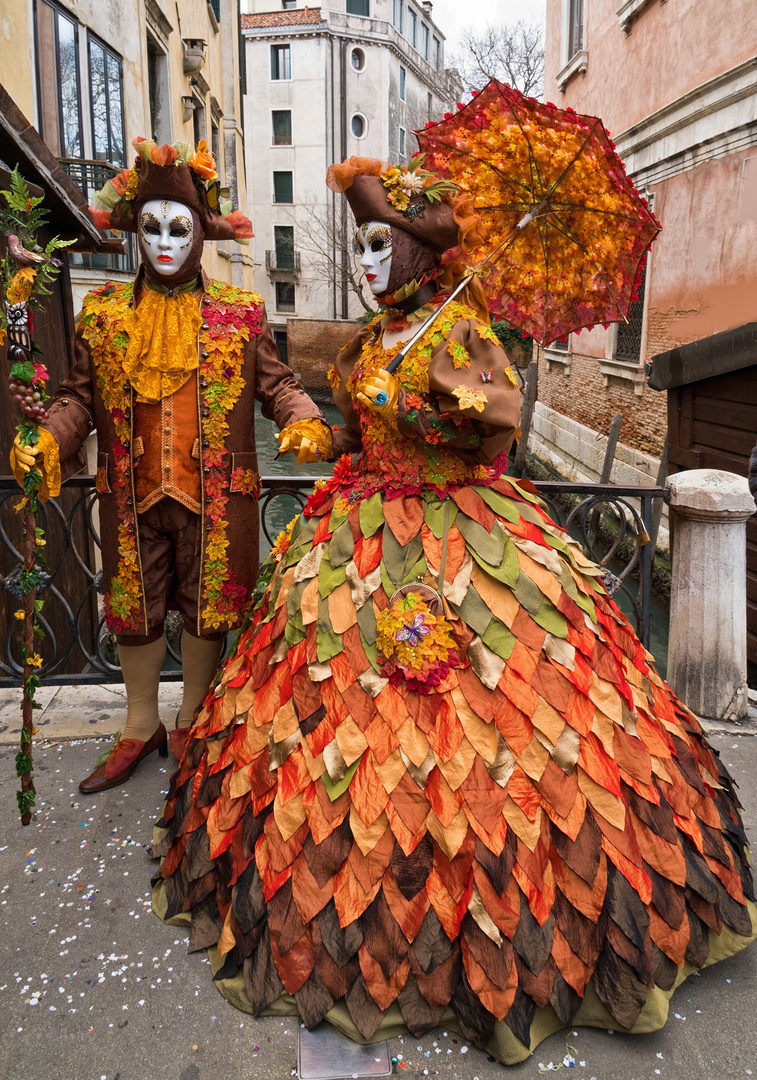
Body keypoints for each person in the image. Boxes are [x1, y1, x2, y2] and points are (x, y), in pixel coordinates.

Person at [151, 157, 756, 1064]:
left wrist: (453, 403)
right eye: (356, 245)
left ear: (417, 252)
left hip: (461, 530)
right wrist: (338, 428)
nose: (363, 262)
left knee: (493, 716)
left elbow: (497, 436)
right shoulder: (371, 336)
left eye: (378, 244)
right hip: (354, 533)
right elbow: (354, 427)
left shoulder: (458, 330)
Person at [10, 137, 331, 793]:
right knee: (134, 608)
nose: (162, 241)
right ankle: (138, 726)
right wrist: (49, 438)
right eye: (150, 227)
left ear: (199, 235)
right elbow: (76, 397)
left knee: (209, 605)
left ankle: (190, 716)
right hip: (131, 496)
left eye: (177, 228)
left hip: (217, 498)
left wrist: (304, 419)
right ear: (136, 231)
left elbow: (277, 385)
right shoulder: (100, 316)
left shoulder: (240, 314)